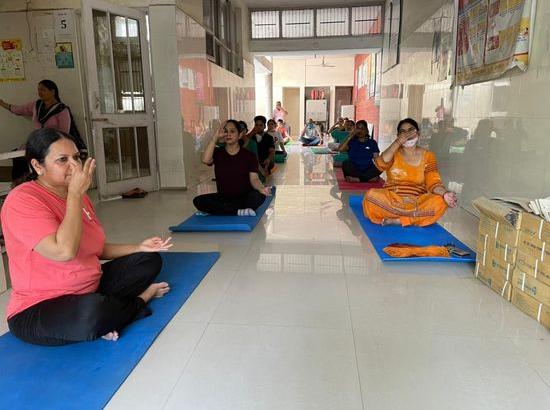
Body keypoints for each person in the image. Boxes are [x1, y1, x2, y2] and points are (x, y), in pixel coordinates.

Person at [1, 128, 172, 346]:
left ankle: (111, 314)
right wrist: (75, 195)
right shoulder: (22, 200)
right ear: (37, 166)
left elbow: (96, 249)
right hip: (40, 306)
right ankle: (139, 301)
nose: (74, 165)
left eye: (76, 157)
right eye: (62, 160)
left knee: (148, 260)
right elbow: (64, 251)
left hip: (90, 288)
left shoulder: (77, 195)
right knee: (93, 312)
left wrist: (138, 247)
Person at [362, 118, 458, 227]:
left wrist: (445, 194)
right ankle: (413, 218)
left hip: (417, 202)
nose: (407, 134)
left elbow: (433, 182)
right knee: (370, 196)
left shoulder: (428, 156)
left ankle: (400, 220)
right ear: (398, 135)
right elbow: (379, 164)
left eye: (411, 130)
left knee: (440, 201)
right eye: (403, 132)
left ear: (419, 133)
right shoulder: (393, 152)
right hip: (392, 200)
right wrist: (398, 142)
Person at [0, 79, 87, 181]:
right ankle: (21, 185)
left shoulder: (62, 110)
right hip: (38, 141)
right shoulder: (36, 105)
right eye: (38, 90)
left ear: (52, 92)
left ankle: (37, 182)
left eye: (43, 90)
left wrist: (50, 145)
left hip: (54, 143)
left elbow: (64, 133)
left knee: (41, 159)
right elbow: (19, 110)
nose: (40, 93)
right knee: (19, 155)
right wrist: (3, 104)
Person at [193, 120, 271, 216]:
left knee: (258, 197)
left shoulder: (249, 156)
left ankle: (222, 210)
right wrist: (215, 138)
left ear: (240, 135)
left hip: (244, 197)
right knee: (198, 201)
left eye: (232, 131)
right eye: (226, 131)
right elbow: (205, 160)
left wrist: (261, 188)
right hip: (223, 198)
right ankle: (237, 211)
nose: (228, 134)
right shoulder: (218, 153)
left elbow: (254, 179)